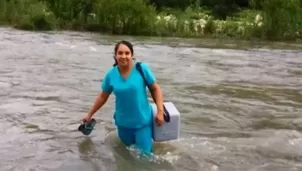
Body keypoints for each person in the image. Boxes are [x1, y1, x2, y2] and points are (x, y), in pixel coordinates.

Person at [82, 40, 164, 154]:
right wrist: (89, 115)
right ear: (115, 56)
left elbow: (155, 89)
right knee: (128, 156)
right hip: (123, 125)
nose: (123, 56)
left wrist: (160, 111)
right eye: (120, 53)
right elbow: (102, 97)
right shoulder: (111, 75)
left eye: (127, 53)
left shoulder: (141, 69)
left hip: (142, 123)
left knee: (145, 159)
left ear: (132, 55)